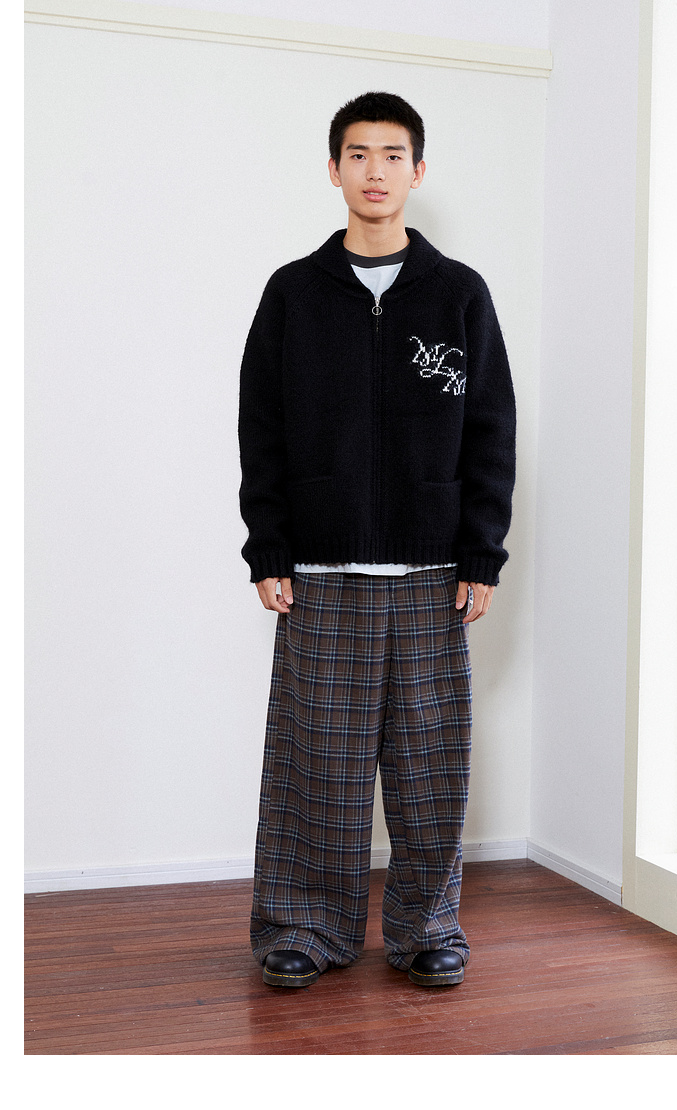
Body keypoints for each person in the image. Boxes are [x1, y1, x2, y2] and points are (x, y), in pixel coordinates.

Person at [238, 91, 515, 989]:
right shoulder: (292, 293)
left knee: (430, 764)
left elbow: (492, 431)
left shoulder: (459, 293)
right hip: (321, 570)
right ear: (334, 170)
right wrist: (268, 546)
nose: (375, 171)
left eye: (393, 155)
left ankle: (427, 928)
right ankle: (304, 927)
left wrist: (482, 554)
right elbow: (260, 429)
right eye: (358, 155)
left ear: (417, 171)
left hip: (434, 571)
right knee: (315, 760)